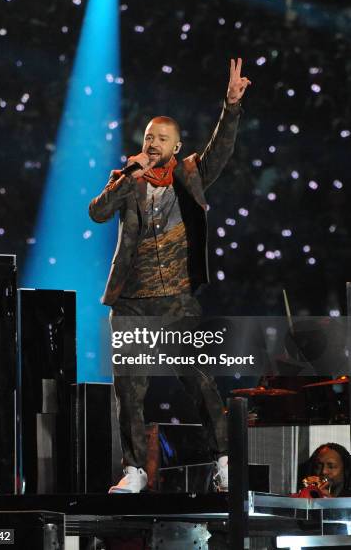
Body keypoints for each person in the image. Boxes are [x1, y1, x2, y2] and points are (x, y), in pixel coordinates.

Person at [89, 58, 251, 493]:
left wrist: (230, 106)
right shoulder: (126, 180)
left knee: (199, 381)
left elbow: (221, 148)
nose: (153, 143)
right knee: (130, 391)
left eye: (162, 138)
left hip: (177, 299)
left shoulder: (190, 175)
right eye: (148, 137)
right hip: (131, 301)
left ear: (176, 147)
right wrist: (127, 176)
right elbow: (97, 213)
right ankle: (135, 470)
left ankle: (224, 462)